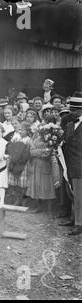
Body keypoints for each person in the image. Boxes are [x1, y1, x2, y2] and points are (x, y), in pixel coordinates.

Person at [61, 92, 82, 235]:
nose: (71, 113)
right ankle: (74, 218)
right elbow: (65, 143)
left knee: (80, 196)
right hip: (68, 164)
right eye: (71, 110)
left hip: (80, 166)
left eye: (74, 110)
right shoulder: (69, 124)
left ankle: (79, 224)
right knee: (71, 193)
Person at [6, 122, 31, 206]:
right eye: (19, 129)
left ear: (27, 131)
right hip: (15, 162)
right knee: (14, 181)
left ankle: (20, 199)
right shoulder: (16, 138)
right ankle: (14, 197)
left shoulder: (28, 140)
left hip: (23, 163)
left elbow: (28, 153)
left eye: (22, 130)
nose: (20, 131)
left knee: (22, 183)